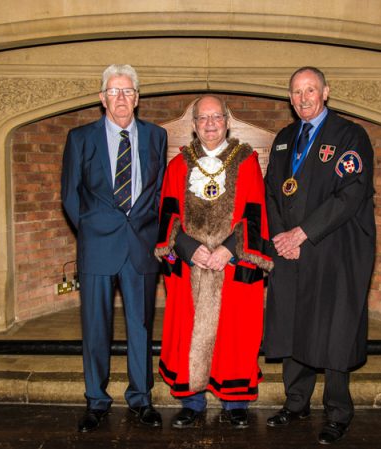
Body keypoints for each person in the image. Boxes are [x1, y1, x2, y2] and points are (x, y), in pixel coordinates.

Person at [264, 67, 375, 445]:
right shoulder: (284, 139)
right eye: (296, 92)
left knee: (334, 329)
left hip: (333, 251)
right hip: (291, 251)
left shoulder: (349, 136)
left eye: (310, 90)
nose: (303, 98)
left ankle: (338, 412)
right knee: (295, 322)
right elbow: (271, 191)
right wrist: (282, 237)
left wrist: (302, 233)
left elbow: (350, 194)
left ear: (325, 92)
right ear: (289, 98)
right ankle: (296, 402)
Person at [155, 95, 272, 429]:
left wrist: (229, 250)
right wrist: (189, 248)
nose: (210, 124)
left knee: (235, 333)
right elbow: (167, 215)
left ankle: (235, 402)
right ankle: (192, 401)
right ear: (194, 125)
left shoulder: (246, 162)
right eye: (203, 118)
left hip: (232, 265)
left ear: (227, 122)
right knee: (188, 331)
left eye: (216, 117)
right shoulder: (178, 165)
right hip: (191, 266)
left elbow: (256, 213)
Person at [61, 64, 167, 433]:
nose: (121, 98)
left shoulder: (156, 136)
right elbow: (70, 195)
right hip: (97, 247)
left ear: (137, 98)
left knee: (140, 326)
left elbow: (159, 192)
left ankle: (141, 398)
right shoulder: (80, 138)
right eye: (114, 91)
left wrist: (154, 235)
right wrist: (92, 231)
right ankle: (96, 400)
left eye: (128, 91)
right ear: (102, 98)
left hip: (141, 247)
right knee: (96, 328)